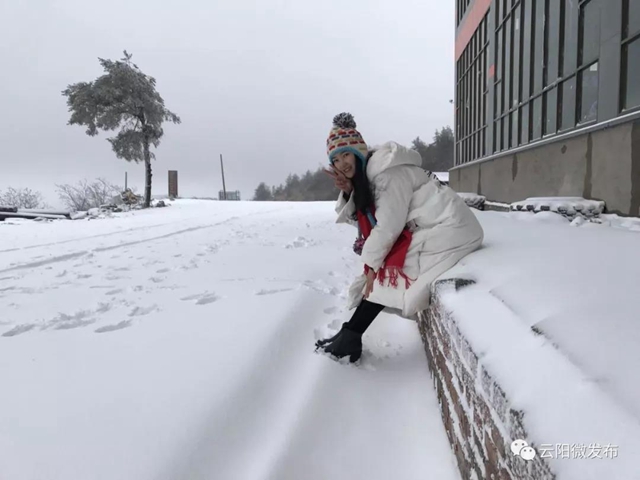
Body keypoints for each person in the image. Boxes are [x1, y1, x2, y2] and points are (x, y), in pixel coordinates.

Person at [315, 113, 484, 363]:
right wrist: (350, 191)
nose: (342, 164)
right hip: (435, 225)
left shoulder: (387, 174)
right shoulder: (371, 175)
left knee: (389, 271)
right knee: (385, 267)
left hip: (451, 229)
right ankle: (349, 334)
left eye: (346, 155)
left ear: (359, 152)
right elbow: (366, 221)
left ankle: (350, 336)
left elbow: (386, 226)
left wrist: (371, 266)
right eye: (336, 160)